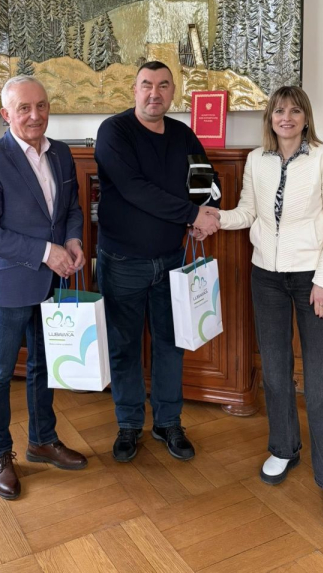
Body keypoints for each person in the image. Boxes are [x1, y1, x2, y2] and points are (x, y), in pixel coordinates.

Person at [209, 85, 323, 526]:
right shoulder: (257, 160)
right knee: (273, 371)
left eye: (293, 111)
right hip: (266, 278)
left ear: (305, 118)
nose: (285, 117)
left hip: (312, 279)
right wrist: (215, 219)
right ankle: (284, 448)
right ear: (269, 118)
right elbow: (248, 213)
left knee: (322, 381)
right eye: (278, 111)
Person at [0, 75, 87, 500]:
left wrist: (73, 240)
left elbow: (71, 209)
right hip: (10, 284)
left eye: (42, 105)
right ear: (6, 114)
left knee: (44, 365)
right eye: (24, 108)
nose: (35, 115)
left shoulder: (62, 153)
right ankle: (0, 454)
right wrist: (46, 252)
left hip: (53, 281)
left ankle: (43, 441)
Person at [95, 61, 220, 463]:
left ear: (172, 92)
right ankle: (129, 424)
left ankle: (168, 422)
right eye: (147, 85)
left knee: (171, 344)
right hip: (122, 261)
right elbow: (135, 189)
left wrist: (203, 213)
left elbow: (206, 180)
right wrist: (191, 214)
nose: (155, 93)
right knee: (124, 347)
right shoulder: (113, 131)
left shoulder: (183, 135)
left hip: (172, 261)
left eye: (163, 85)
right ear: (134, 90)